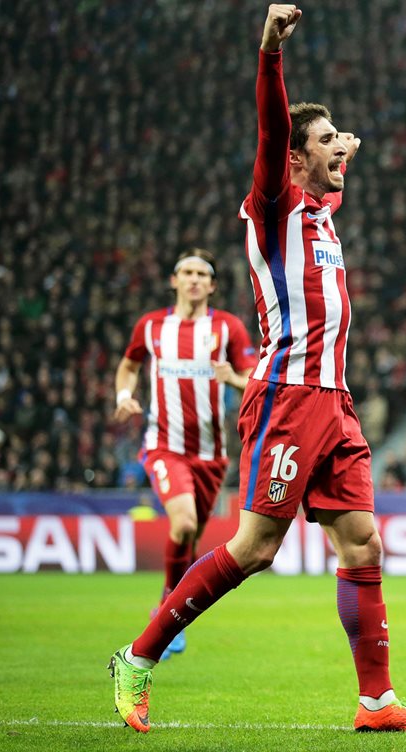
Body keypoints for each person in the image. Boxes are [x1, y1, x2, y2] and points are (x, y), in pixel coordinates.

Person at [109, 5, 406, 734]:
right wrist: (269, 51)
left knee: (363, 541)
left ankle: (376, 700)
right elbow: (274, 129)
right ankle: (138, 656)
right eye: (325, 141)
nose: (338, 149)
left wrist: (342, 153)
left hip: (336, 401)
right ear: (294, 158)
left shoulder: (321, 215)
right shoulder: (273, 205)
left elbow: (333, 178)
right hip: (288, 397)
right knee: (255, 546)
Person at [113, 248, 255, 660]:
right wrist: (124, 395)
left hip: (211, 457)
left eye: (202, 274)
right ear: (174, 280)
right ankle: (169, 616)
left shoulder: (228, 328)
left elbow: (255, 380)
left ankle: (165, 600)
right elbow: (128, 365)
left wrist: (235, 379)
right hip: (164, 447)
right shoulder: (153, 326)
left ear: (212, 285)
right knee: (184, 521)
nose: (194, 280)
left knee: (190, 537)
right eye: (186, 272)